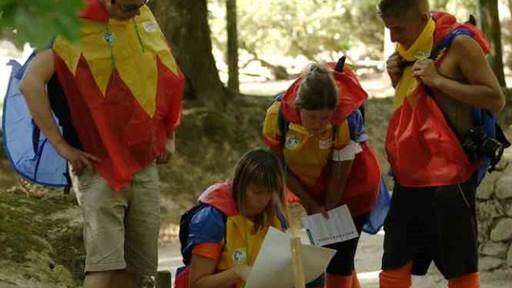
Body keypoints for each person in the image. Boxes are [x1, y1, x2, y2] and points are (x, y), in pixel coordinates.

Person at [18, 0, 184, 287]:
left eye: (139, 4)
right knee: (103, 267)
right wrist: (60, 145)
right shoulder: (70, 26)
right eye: (127, 7)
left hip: (143, 163)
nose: (134, 11)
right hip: (98, 166)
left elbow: (163, 76)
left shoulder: (141, 19)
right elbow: (30, 83)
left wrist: (169, 135)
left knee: (135, 270)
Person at [378, 1, 506, 287]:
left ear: (424, 18)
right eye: (388, 29)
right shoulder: (408, 47)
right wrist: (397, 77)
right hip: (408, 175)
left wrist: (438, 80)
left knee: (460, 267)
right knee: (393, 265)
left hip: (451, 178)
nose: (394, 38)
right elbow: (416, 103)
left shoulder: (459, 44)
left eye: (398, 28)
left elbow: (496, 99)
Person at [263, 62, 382, 288]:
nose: (318, 124)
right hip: (313, 188)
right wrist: (310, 204)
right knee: (331, 253)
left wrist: (327, 209)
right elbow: (278, 163)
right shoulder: (277, 116)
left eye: (324, 118)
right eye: (312, 117)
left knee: (339, 257)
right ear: (298, 107)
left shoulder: (343, 118)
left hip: (354, 187)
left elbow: (341, 171)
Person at [174, 149, 288, 288]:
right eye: (257, 192)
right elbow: (197, 284)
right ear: (239, 186)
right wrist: (238, 272)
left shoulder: (273, 212)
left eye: (269, 192)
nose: (263, 200)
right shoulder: (212, 218)